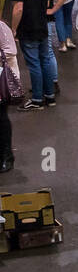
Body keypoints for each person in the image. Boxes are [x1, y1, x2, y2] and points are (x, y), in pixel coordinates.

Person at [9, 0, 63, 111]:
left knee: (34, 64)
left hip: (28, 28)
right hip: (43, 26)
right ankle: (50, 96)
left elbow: (18, 8)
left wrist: (13, 29)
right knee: (45, 61)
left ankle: (37, 99)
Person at [0, 19, 18, 172]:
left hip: (1, 82)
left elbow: (11, 50)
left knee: (1, 117)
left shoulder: (1, 27)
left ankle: (7, 156)